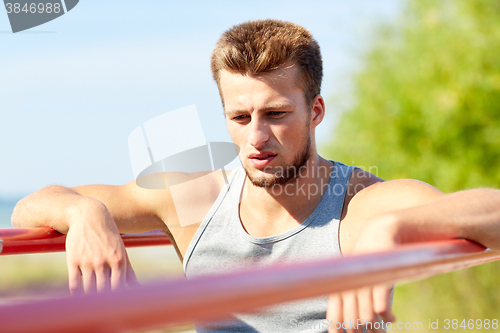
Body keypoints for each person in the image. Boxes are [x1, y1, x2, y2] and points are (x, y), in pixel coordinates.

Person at [11, 19, 500, 333]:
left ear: (316, 111)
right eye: (240, 118)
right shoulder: (193, 198)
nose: (256, 138)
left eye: (277, 114)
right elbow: (31, 205)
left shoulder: (360, 204)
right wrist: (85, 212)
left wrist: (392, 230)